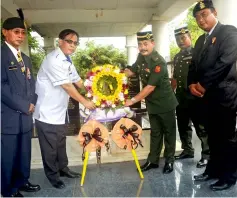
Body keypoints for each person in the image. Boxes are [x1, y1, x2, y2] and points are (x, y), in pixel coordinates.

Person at [34, 29, 96, 189]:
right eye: (70, 41)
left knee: (60, 144)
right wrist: (85, 101)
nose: (73, 45)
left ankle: (63, 169)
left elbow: (76, 80)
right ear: (59, 41)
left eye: (75, 43)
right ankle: (53, 176)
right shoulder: (53, 60)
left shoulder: (67, 60)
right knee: (50, 148)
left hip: (59, 112)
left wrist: (95, 93)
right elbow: (67, 86)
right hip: (47, 113)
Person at [188, 0, 237, 191]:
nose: (201, 20)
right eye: (198, 17)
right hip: (205, 97)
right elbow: (193, 65)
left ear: (214, 13)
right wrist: (191, 84)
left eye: (204, 14)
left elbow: (225, 62)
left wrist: (202, 84)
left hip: (224, 94)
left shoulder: (228, 32)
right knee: (212, 137)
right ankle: (213, 170)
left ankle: (229, 176)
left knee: (226, 137)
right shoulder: (201, 40)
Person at [124, 31, 178, 174]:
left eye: (146, 44)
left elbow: (150, 87)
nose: (143, 47)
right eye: (140, 44)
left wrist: (133, 100)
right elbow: (133, 70)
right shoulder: (141, 57)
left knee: (169, 133)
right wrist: (120, 74)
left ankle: (169, 161)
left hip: (165, 103)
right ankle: (153, 161)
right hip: (152, 104)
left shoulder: (158, 61)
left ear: (152, 43)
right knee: (155, 133)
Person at [1, 17, 41, 197]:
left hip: (25, 115)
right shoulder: (1, 56)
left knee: (24, 153)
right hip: (8, 116)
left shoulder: (25, 58)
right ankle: (8, 189)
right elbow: (2, 87)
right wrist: (25, 105)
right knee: (8, 156)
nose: (21, 36)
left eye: (23, 33)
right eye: (16, 32)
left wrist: (32, 101)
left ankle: (22, 181)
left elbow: (31, 83)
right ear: (5, 32)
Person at [171, 26, 209, 168]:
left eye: (183, 38)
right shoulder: (177, 57)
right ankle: (187, 150)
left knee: (200, 127)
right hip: (180, 97)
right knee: (182, 125)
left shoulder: (197, 53)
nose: (181, 41)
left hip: (194, 96)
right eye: (178, 39)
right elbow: (175, 77)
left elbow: (203, 73)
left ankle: (206, 155)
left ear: (190, 37)